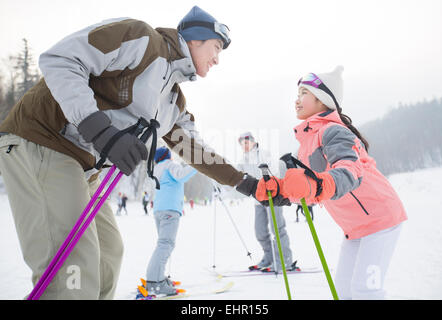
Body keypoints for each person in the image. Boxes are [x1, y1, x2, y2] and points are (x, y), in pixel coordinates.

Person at [0, 6, 262, 300]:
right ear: (195, 39)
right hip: (43, 140)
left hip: (82, 165)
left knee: (108, 254)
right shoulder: (141, 40)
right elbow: (60, 59)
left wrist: (247, 183)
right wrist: (101, 131)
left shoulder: (172, 99)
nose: (217, 59)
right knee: (74, 264)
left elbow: (195, 150)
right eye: (216, 48)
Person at [247, 66, 408, 299]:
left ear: (322, 99)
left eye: (304, 93)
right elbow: (309, 189)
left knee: (366, 290)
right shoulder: (307, 143)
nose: (297, 99)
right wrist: (281, 190)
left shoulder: (334, 132)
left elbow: (349, 170)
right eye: (297, 93)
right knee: (344, 292)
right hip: (356, 227)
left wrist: (317, 185)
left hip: (380, 218)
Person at [236, 132, 294, 272]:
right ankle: (269, 257)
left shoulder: (264, 154)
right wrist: (221, 185)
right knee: (260, 231)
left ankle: (284, 260)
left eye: (245, 142)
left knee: (277, 229)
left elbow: (274, 171)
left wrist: (268, 181)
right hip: (258, 199)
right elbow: (237, 176)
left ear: (252, 141)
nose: (243, 146)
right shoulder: (243, 160)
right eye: (241, 143)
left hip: (272, 197)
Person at [145, 146, 197, 295]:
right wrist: (197, 166)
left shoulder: (156, 169)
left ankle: (157, 277)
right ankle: (155, 281)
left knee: (163, 244)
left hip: (160, 211)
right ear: (168, 156)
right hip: (169, 210)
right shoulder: (170, 165)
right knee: (165, 244)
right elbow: (181, 175)